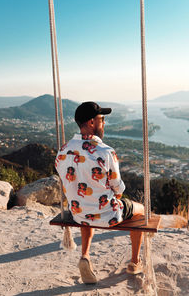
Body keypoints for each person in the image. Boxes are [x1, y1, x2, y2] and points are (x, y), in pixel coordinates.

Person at [55, 101, 144, 284]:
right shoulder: (106, 152)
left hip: (79, 213)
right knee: (140, 210)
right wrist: (114, 195)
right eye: (102, 119)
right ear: (91, 123)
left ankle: (85, 256)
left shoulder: (63, 151)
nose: (104, 123)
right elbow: (118, 189)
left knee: (87, 202)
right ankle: (135, 262)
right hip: (108, 214)